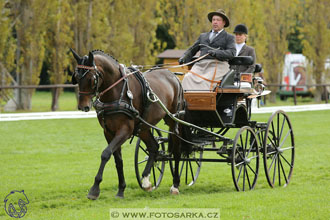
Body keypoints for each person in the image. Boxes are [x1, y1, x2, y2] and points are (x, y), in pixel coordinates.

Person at [178, 9, 236, 91]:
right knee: (187, 78)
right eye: (213, 20)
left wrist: (216, 53)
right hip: (201, 65)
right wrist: (184, 57)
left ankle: (202, 102)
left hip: (218, 64)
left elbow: (232, 53)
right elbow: (192, 49)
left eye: (218, 20)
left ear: (224, 23)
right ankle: (186, 102)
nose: (215, 22)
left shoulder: (229, 37)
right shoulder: (203, 36)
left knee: (204, 80)